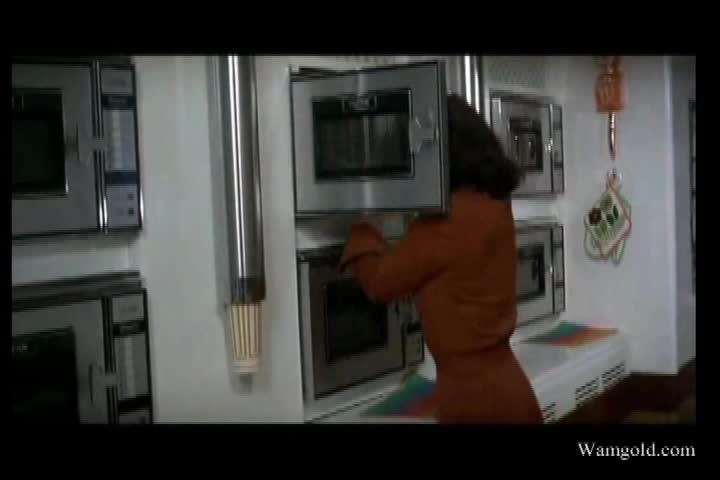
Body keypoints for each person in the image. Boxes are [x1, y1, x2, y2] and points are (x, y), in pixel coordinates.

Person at [339, 94, 543, 424]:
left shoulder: (444, 223)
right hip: (509, 388)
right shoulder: (493, 203)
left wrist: (363, 221)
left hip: (475, 402)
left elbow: (379, 282)